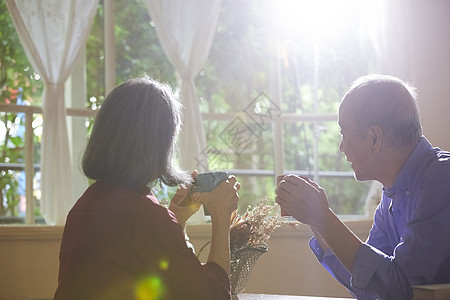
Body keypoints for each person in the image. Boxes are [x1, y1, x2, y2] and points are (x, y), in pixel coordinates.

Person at [54, 77, 240, 300]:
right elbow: (215, 296)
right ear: (160, 143)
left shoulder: (84, 206)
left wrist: (177, 220)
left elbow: (156, 278)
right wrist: (221, 217)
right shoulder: (144, 215)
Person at [275, 74, 450, 300]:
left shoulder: (442, 178)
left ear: (374, 138)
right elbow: (367, 283)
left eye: (344, 134)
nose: (341, 147)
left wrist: (323, 217)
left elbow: (400, 289)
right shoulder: (390, 196)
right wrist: (315, 219)